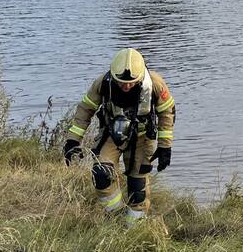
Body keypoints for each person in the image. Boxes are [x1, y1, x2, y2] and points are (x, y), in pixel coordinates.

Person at [63, 48, 175, 225]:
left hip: (141, 138)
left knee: (137, 189)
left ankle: (133, 228)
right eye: (121, 83)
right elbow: (85, 109)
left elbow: (167, 112)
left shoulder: (154, 83)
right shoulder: (103, 83)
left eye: (131, 83)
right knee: (101, 174)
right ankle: (115, 215)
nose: (126, 86)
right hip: (111, 135)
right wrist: (72, 140)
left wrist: (164, 146)